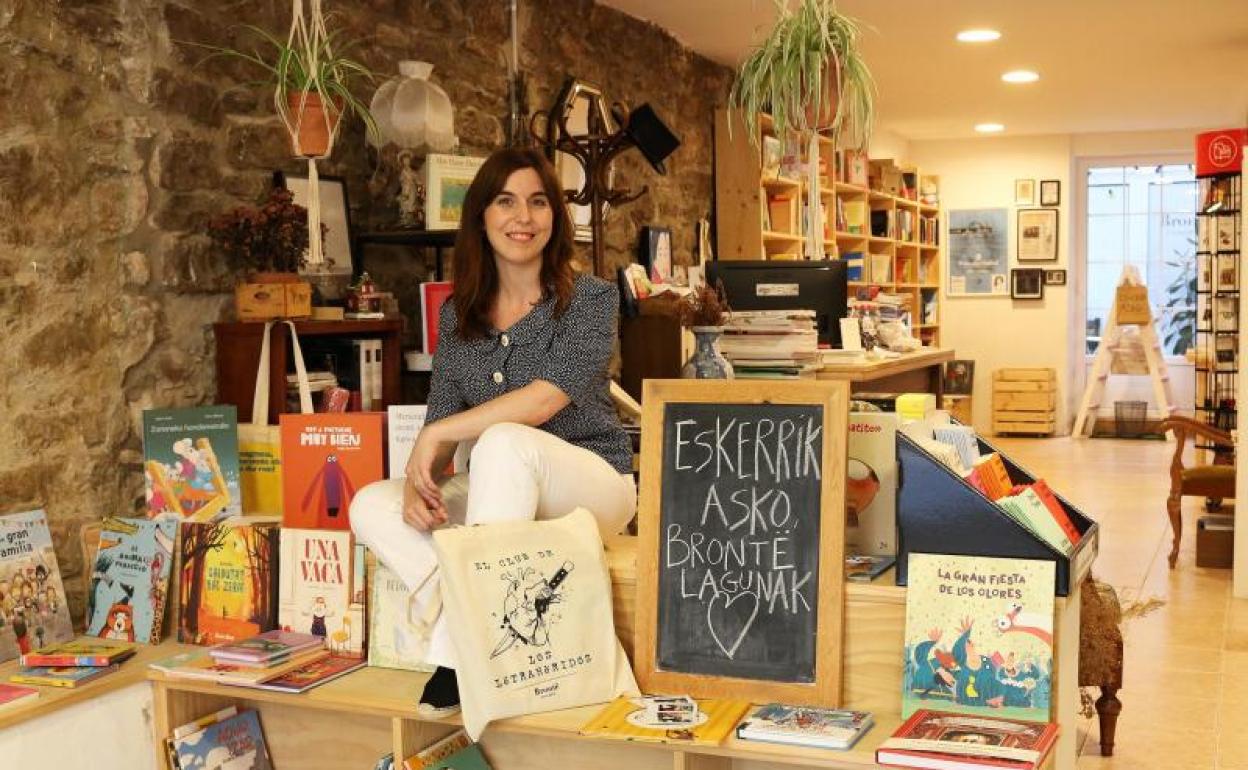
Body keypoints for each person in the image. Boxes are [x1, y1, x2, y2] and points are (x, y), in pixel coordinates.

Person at [349, 147, 636, 717]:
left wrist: (440, 439)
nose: (522, 218)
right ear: (481, 216)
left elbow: (546, 397)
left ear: (555, 217)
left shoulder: (592, 299)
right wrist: (418, 477)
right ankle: (475, 628)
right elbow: (442, 415)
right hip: (504, 497)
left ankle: (459, 658)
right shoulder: (459, 314)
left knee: (503, 441)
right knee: (370, 505)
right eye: (505, 202)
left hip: (593, 486)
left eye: (537, 202)